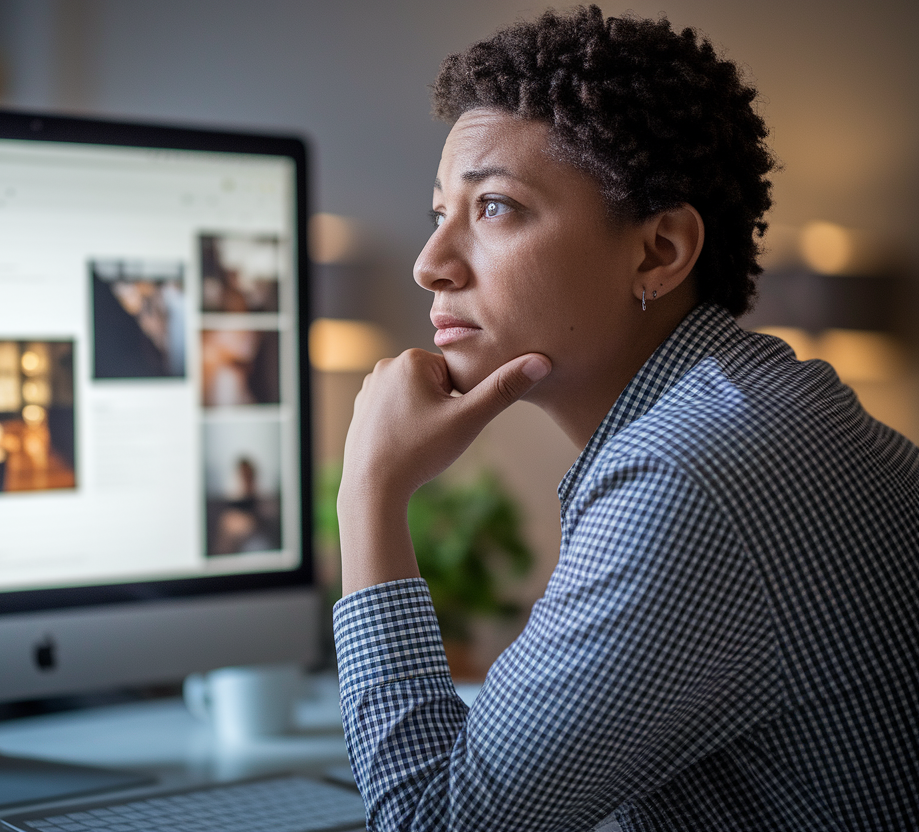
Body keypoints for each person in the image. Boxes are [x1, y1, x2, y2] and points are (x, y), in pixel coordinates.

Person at [333, 7, 919, 831]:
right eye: (441, 214)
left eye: (494, 207)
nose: (432, 264)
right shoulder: (763, 407)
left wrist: (370, 489)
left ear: (659, 252)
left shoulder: (686, 479)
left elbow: (436, 823)